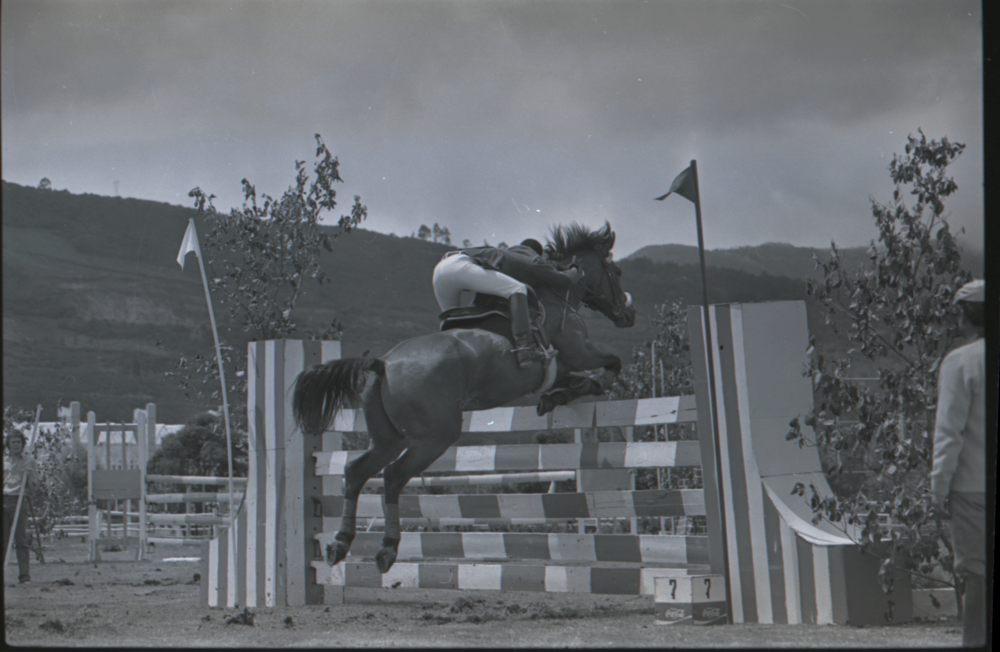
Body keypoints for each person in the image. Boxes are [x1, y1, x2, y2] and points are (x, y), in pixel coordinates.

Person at [930, 278, 986, 647]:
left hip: (971, 489)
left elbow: (949, 433)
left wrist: (938, 488)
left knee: (977, 576)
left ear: (966, 314)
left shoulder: (961, 361)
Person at [432, 238, 581, 367]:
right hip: (460, 266)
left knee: (451, 324)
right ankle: (524, 348)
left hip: (441, 269)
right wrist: (575, 269)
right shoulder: (533, 259)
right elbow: (565, 280)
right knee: (518, 289)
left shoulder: (508, 253)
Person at [4, 430, 39, 585]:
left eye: (19, 442)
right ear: (8, 445)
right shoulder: (3, 461)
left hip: (20, 500)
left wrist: (29, 475)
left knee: (21, 540)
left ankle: (24, 577)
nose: (16, 445)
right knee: (3, 541)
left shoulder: (29, 461)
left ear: (22, 444)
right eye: (13, 442)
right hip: (4, 501)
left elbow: (35, 486)